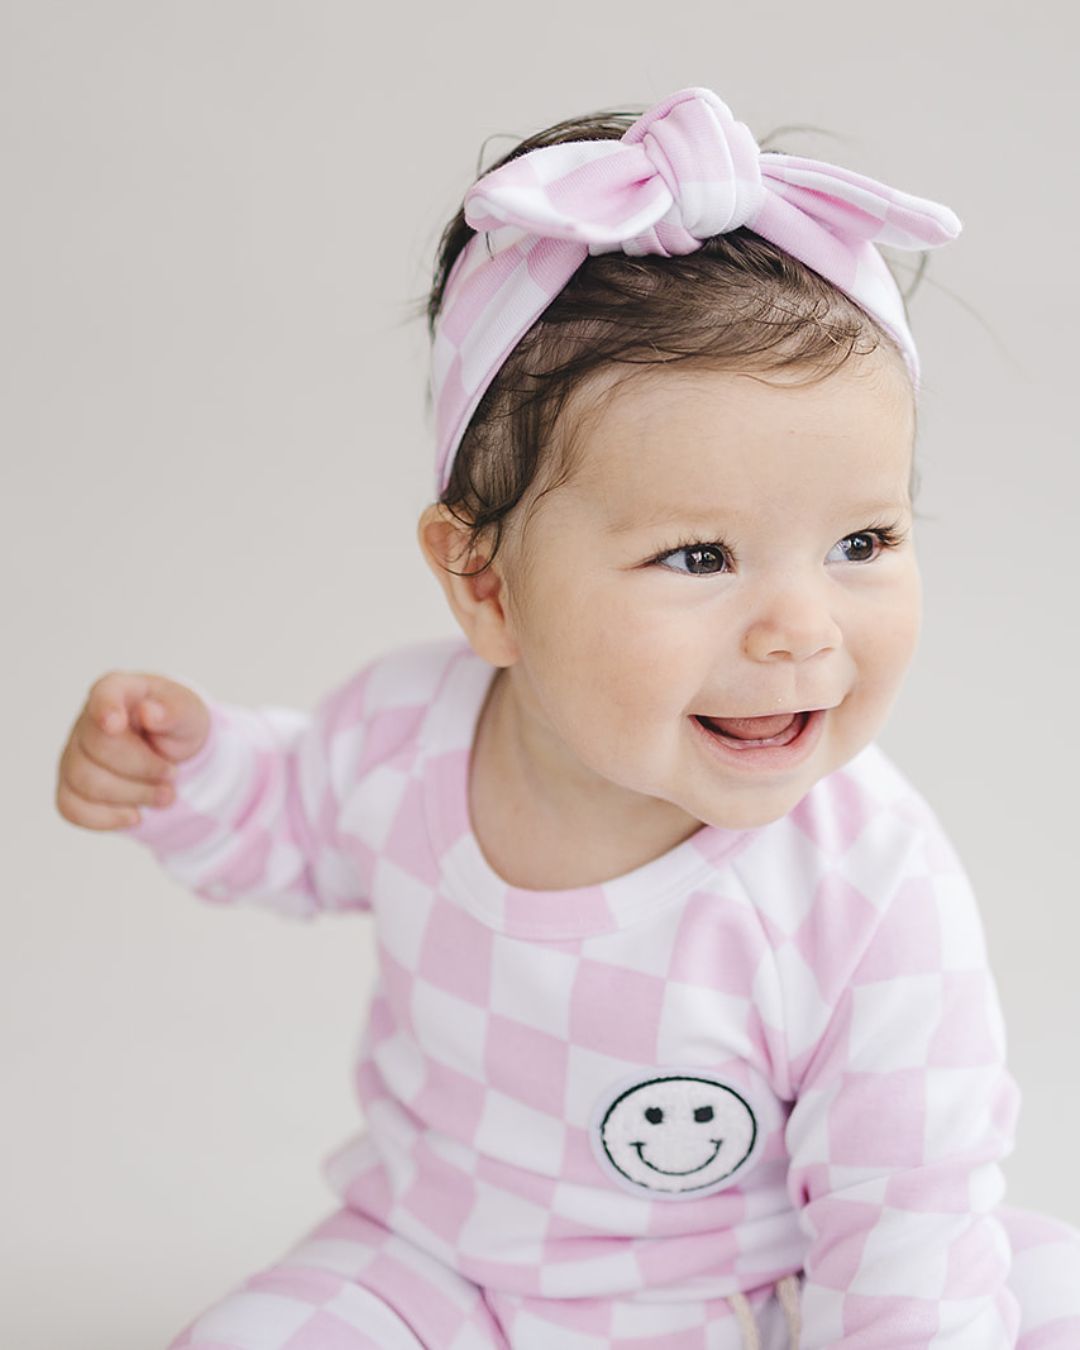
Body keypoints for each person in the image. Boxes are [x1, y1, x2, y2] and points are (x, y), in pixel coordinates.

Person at [55, 86, 1080, 1349]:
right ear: (486, 586)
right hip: (435, 1268)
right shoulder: (410, 738)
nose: (800, 630)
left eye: (862, 541)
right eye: (699, 556)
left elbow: (904, 1220)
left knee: (1022, 1294)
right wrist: (189, 772)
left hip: (755, 1301)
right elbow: (294, 811)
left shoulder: (866, 886)